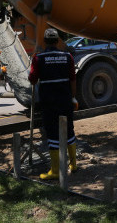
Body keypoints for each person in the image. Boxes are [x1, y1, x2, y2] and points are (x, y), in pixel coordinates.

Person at [29, 28, 78, 180]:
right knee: (69, 130)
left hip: (49, 102)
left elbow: (32, 79)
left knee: (52, 133)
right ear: (57, 41)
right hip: (65, 99)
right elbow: (73, 79)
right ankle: (73, 165)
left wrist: (33, 65)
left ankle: (55, 170)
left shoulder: (39, 58)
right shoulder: (67, 56)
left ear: (44, 41)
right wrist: (73, 97)